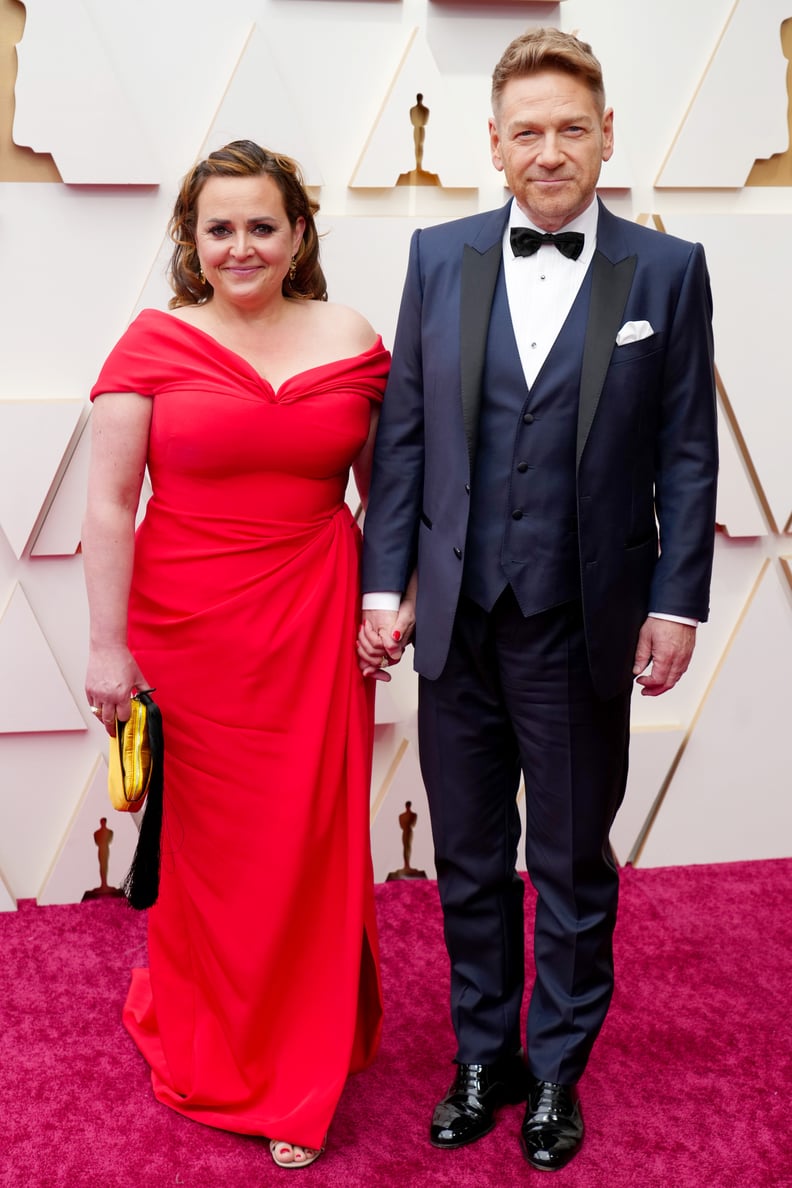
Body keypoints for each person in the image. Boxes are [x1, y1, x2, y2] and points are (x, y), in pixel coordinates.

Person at [357, 28, 718, 1172]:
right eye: (528, 132)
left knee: (566, 859)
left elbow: (687, 452)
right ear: (496, 146)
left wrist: (679, 603)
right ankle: (485, 1056)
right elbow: (404, 437)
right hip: (455, 617)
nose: (550, 150)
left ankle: (557, 1069)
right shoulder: (437, 257)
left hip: (584, 620)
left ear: (607, 134)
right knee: (467, 856)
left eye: (572, 128)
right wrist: (384, 583)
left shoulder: (667, 272)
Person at [82, 140, 388, 1171]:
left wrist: (396, 605)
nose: (242, 246)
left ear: (299, 232)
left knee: (305, 847)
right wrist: (105, 647)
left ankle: (293, 1068)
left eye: (263, 225)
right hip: (189, 632)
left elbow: (392, 496)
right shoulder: (154, 342)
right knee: (215, 860)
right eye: (220, 228)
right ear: (192, 239)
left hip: (313, 623)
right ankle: (220, 1045)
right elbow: (111, 506)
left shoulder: (352, 335)